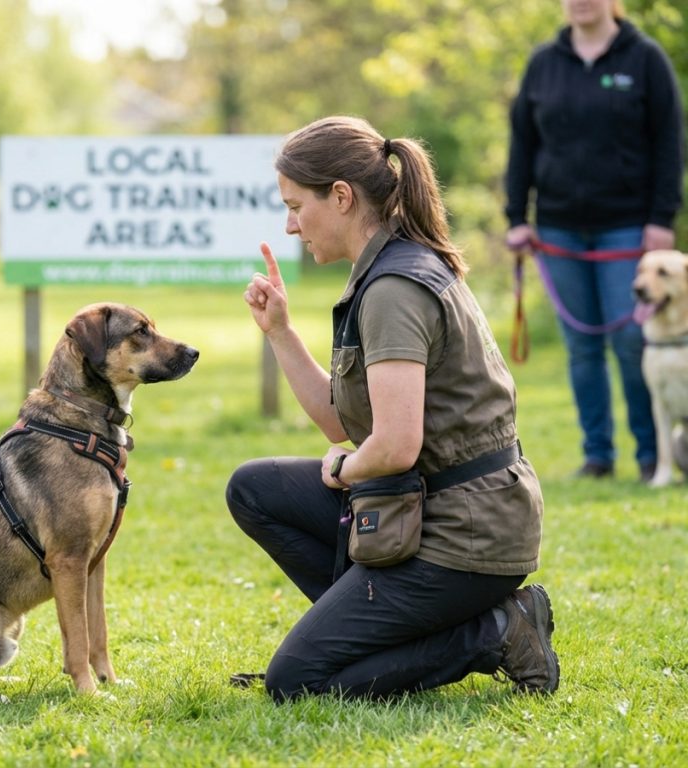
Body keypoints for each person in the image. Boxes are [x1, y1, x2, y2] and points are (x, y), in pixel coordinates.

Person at [226, 116, 559, 702]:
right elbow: (341, 421)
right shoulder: (385, 268)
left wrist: (343, 471)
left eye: (296, 205)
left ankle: (498, 631)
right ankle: (370, 642)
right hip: (432, 505)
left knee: (296, 683)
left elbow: (393, 447)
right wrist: (279, 331)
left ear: (342, 196)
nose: (289, 224)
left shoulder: (393, 289)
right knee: (254, 488)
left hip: (465, 535)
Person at [504, 0, 685, 482]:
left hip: (628, 226)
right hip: (559, 228)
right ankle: (597, 455)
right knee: (582, 346)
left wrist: (662, 217)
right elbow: (522, 142)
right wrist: (516, 216)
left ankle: (653, 455)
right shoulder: (543, 63)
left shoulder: (644, 57)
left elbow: (669, 140)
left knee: (630, 339)